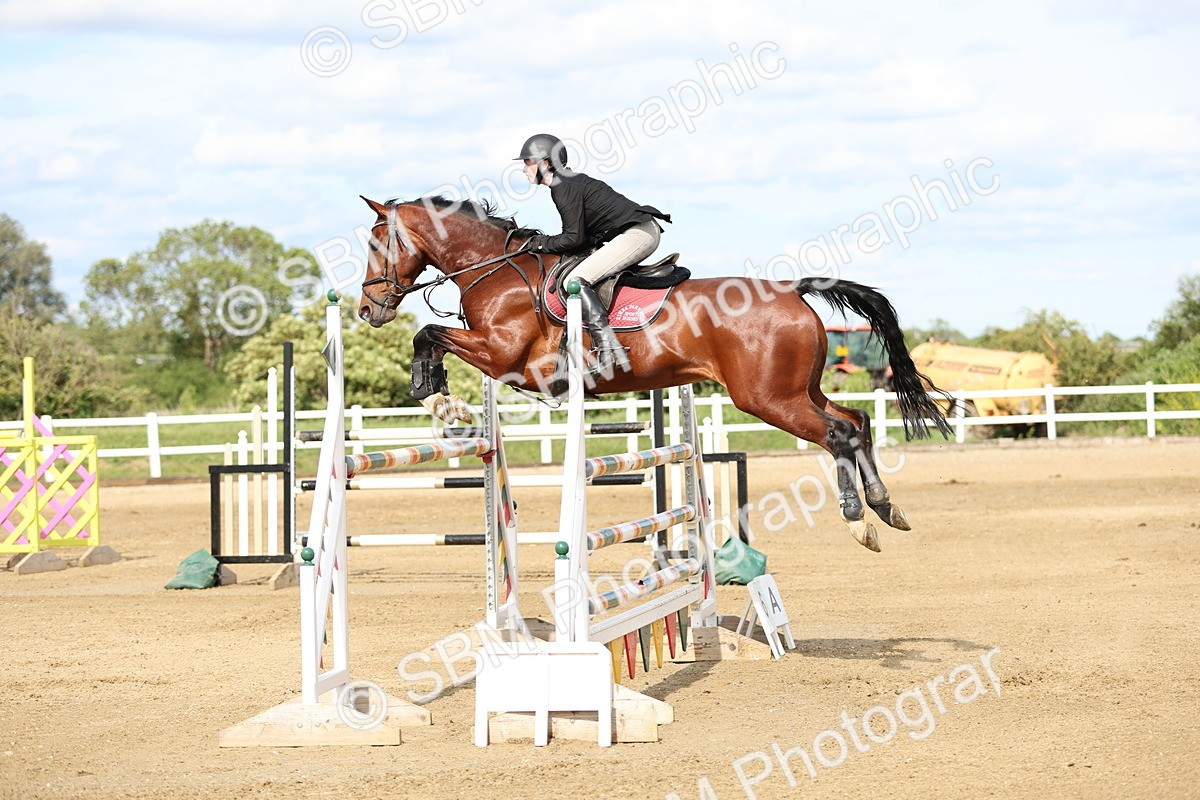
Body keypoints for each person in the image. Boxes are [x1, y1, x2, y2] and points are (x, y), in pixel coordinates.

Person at [515, 133, 670, 375]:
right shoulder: (566, 182)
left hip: (638, 234)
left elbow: (572, 238)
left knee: (575, 281)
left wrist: (540, 243)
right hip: (637, 231)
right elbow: (581, 238)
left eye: (528, 163)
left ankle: (608, 351)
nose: (524, 169)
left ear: (545, 163)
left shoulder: (562, 186)